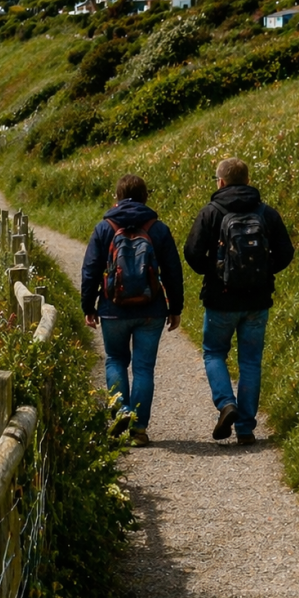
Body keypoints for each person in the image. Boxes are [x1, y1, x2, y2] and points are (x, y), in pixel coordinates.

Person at [183, 157, 294, 446]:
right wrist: (264, 272)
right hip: (257, 301)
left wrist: (216, 272)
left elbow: (192, 253)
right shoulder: (266, 212)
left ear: (220, 181)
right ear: (247, 180)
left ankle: (225, 404)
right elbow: (286, 252)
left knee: (213, 353)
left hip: (221, 300)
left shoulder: (211, 212)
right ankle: (245, 428)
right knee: (250, 362)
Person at [81, 173, 184, 446]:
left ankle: (121, 410)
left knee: (115, 360)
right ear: (145, 196)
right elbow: (173, 271)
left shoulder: (105, 228)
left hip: (112, 308)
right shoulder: (157, 228)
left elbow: (90, 270)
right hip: (151, 309)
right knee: (143, 368)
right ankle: (139, 428)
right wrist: (175, 307)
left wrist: (88, 306)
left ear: (116, 197)